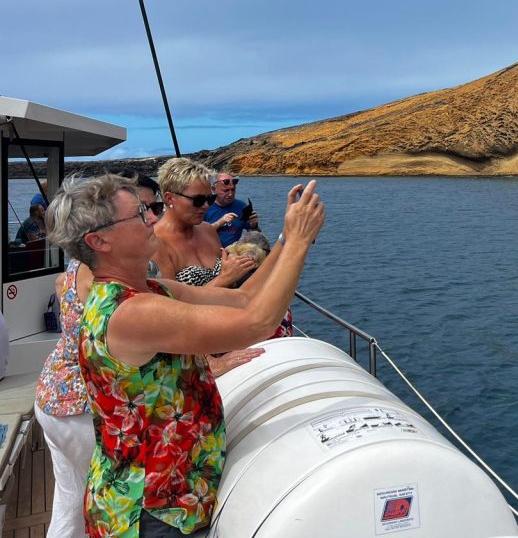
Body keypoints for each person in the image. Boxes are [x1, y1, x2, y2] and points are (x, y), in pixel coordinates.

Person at [46, 173, 324, 537]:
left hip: (169, 496)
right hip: (153, 509)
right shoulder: (131, 313)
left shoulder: (150, 291)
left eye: (148, 209)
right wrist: (301, 242)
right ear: (99, 241)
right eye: (137, 216)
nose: (152, 220)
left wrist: (287, 239)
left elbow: (245, 299)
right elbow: (257, 323)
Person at [34, 173, 162, 538]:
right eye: (142, 210)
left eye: (152, 208)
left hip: (52, 396)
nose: (151, 218)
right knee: (111, 505)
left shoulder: (77, 268)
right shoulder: (107, 281)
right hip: (81, 407)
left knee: (70, 499)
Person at [153, 159, 257, 288]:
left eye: (210, 198)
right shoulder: (154, 243)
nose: (206, 205)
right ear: (169, 198)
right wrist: (224, 279)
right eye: (198, 200)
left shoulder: (208, 230)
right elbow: (170, 302)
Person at [204, 172, 260, 247]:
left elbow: (256, 236)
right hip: (209, 253)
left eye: (233, 190)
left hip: (233, 253)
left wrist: (254, 226)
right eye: (225, 190)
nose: (230, 194)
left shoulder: (241, 206)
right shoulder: (204, 207)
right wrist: (220, 222)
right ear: (214, 189)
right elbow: (197, 234)